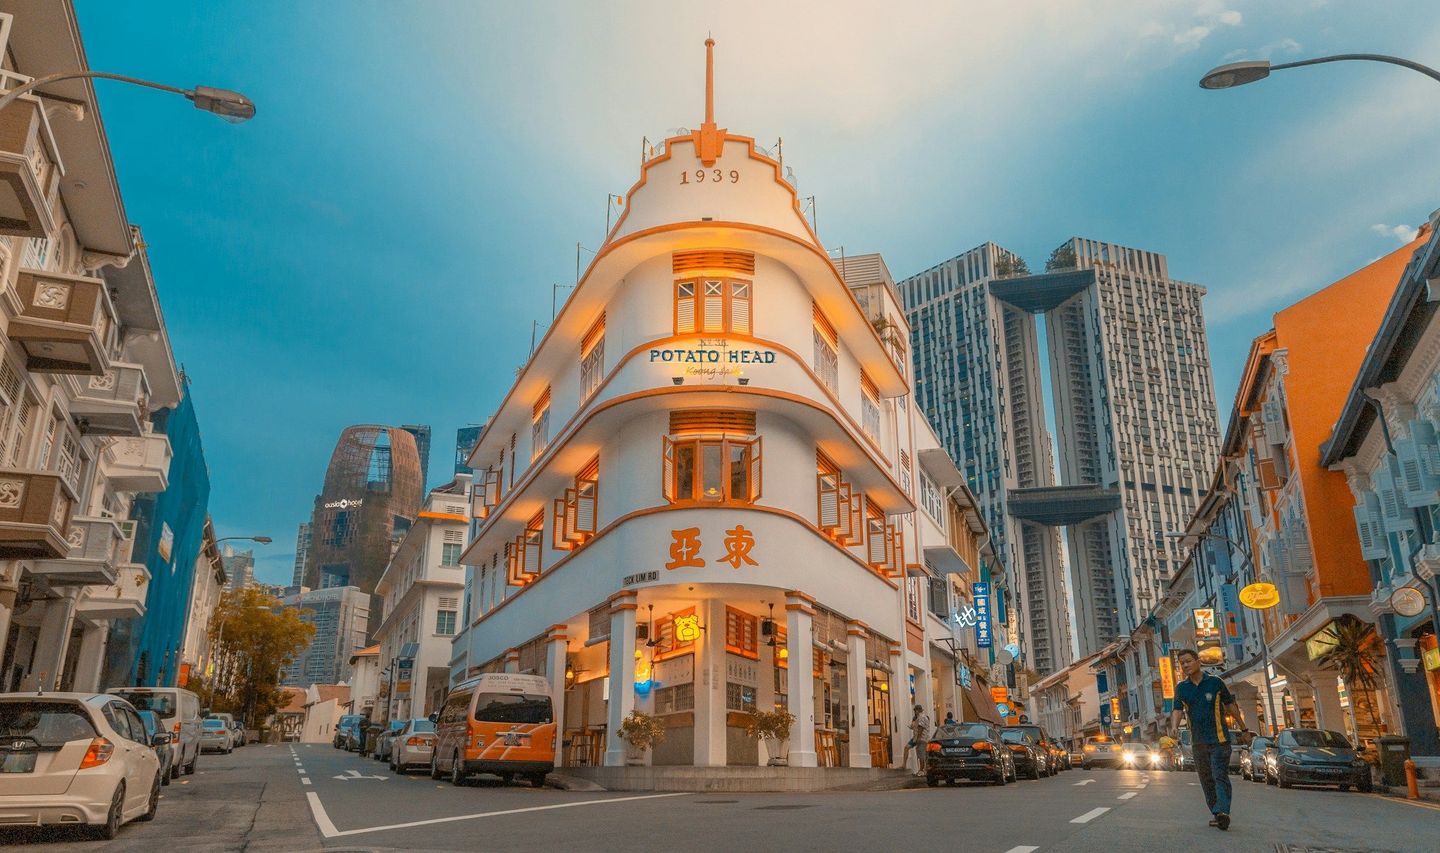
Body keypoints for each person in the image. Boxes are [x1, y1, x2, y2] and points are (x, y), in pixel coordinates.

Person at [1169, 648, 1241, 831]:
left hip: (1220, 740)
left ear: (1198, 661)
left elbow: (1230, 706)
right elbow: (1177, 709)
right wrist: (1175, 727)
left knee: (1219, 775)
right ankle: (1217, 813)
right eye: (1182, 663)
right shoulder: (1182, 688)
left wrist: (1243, 727)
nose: (1185, 665)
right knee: (1206, 779)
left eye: (1188, 661)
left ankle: (1223, 811)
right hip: (1198, 742)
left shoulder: (1216, 683)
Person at [901, 704, 932, 775]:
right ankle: (905, 765)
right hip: (916, 737)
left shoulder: (922, 717)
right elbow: (913, 727)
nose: (915, 712)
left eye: (915, 710)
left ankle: (922, 770)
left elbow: (920, 728)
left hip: (921, 738)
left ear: (917, 710)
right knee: (908, 748)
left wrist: (918, 738)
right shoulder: (917, 718)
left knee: (921, 754)